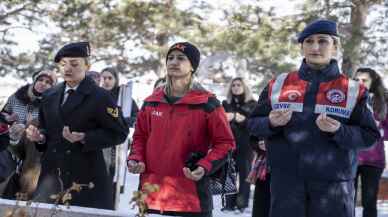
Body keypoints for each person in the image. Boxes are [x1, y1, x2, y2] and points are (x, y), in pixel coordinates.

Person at [247, 19, 380, 217]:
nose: (315, 47)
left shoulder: (352, 89)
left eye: (323, 41)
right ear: (302, 47)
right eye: (309, 41)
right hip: (287, 184)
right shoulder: (279, 84)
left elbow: (370, 136)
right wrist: (271, 123)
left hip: (334, 187)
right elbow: (253, 124)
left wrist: (339, 131)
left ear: (335, 46)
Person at [127, 42, 235, 217]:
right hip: (150, 196)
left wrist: (204, 166)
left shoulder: (208, 103)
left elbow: (225, 143)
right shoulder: (150, 102)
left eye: (181, 58)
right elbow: (140, 137)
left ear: (192, 66)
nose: (173, 62)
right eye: (170, 58)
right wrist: (135, 159)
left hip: (191, 200)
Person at [25, 42, 129, 209]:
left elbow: (120, 132)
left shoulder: (100, 96)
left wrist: (85, 137)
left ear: (87, 65)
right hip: (51, 175)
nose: (68, 68)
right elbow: (46, 130)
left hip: (86, 177)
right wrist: (40, 137)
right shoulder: (50, 94)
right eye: (63, 64)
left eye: (74, 64)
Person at [0, 70, 57, 198]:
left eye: (48, 83)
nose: (43, 84)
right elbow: (3, 114)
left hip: (35, 143)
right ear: (35, 81)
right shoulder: (16, 97)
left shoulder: (52, 103)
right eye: (40, 80)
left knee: (35, 126)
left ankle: (26, 192)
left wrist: (30, 126)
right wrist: (8, 118)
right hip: (12, 140)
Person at [354, 67, 388, 217]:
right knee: (346, 200)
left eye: (364, 80)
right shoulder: (347, 98)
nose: (360, 83)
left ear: (373, 82)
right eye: (356, 80)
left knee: (369, 202)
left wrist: (378, 132)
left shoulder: (383, 101)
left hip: (373, 160)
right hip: (350, 158)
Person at [221, 77, 256, 212]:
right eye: (233, 85)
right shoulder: (225, 103)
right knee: (229, 175)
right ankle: (229, 204)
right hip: (229, 145)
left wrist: (236, 117)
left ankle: (242, 204)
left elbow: (253, 125)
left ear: (245, 87)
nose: (235, 87)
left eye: (238, 85)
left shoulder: (252, 104)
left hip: (246, 145)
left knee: (244, 175)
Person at [246, 138, 270, 217]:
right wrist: (259, 145)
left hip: (285, 171)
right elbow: (252, 139)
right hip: (263, 172)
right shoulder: (262, 127)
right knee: (261, 206)